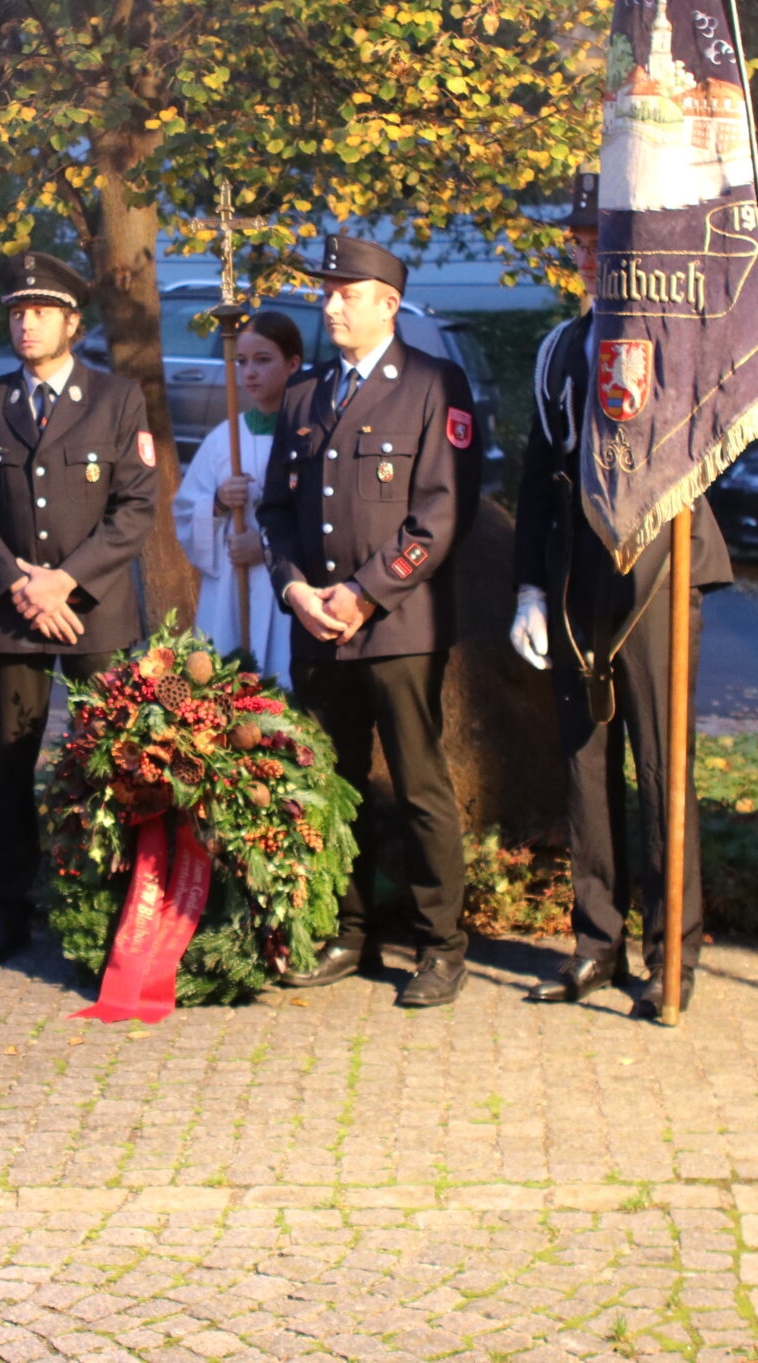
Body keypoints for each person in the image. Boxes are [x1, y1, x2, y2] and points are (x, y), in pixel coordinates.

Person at [509, 174, 732, 1019]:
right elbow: (539, 475)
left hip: (660, 569)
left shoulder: (683, 339)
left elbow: (718, 445)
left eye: (599, 238)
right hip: (578, 574)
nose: (584, 252)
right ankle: (595, 942)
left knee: (663, 768)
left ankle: (673, 954)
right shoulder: (560, 347)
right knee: (584, 764)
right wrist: (530, 584)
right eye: (577, 239)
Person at [260, 233, 481, 1008]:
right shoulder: (305, 394)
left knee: (419, 784)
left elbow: (440, 512)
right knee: (335, 784)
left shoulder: (432, 385)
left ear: (388, 303)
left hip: (398, 625)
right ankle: (348, 930)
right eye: (328, 292)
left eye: (346, 293)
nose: (331, 305)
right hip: (318, 626)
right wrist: (296, 590)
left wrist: (363, 592)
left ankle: (441, 944)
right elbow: (277, 511)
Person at [0, 251, 160, 965]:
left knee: (107, 760)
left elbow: (135, 508)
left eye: (39, 311)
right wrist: (20, 584)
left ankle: (107, 904)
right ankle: (9, 911)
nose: (26, 323)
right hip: (13, 615)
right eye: (16, 311)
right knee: (12, 763)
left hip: (93, 611)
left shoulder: (115, 399)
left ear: (72, 320)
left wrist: (64, 582)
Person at [172, 310, 306, 688]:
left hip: (290, 587)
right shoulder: (223, 439)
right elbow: (185, 511)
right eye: (241, 361)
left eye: (263, 361)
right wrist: (216, 503)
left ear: (292, 363)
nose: (249, 373)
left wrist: (263, 547)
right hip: (233, 587)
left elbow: (322, 515)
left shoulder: (308, 434)